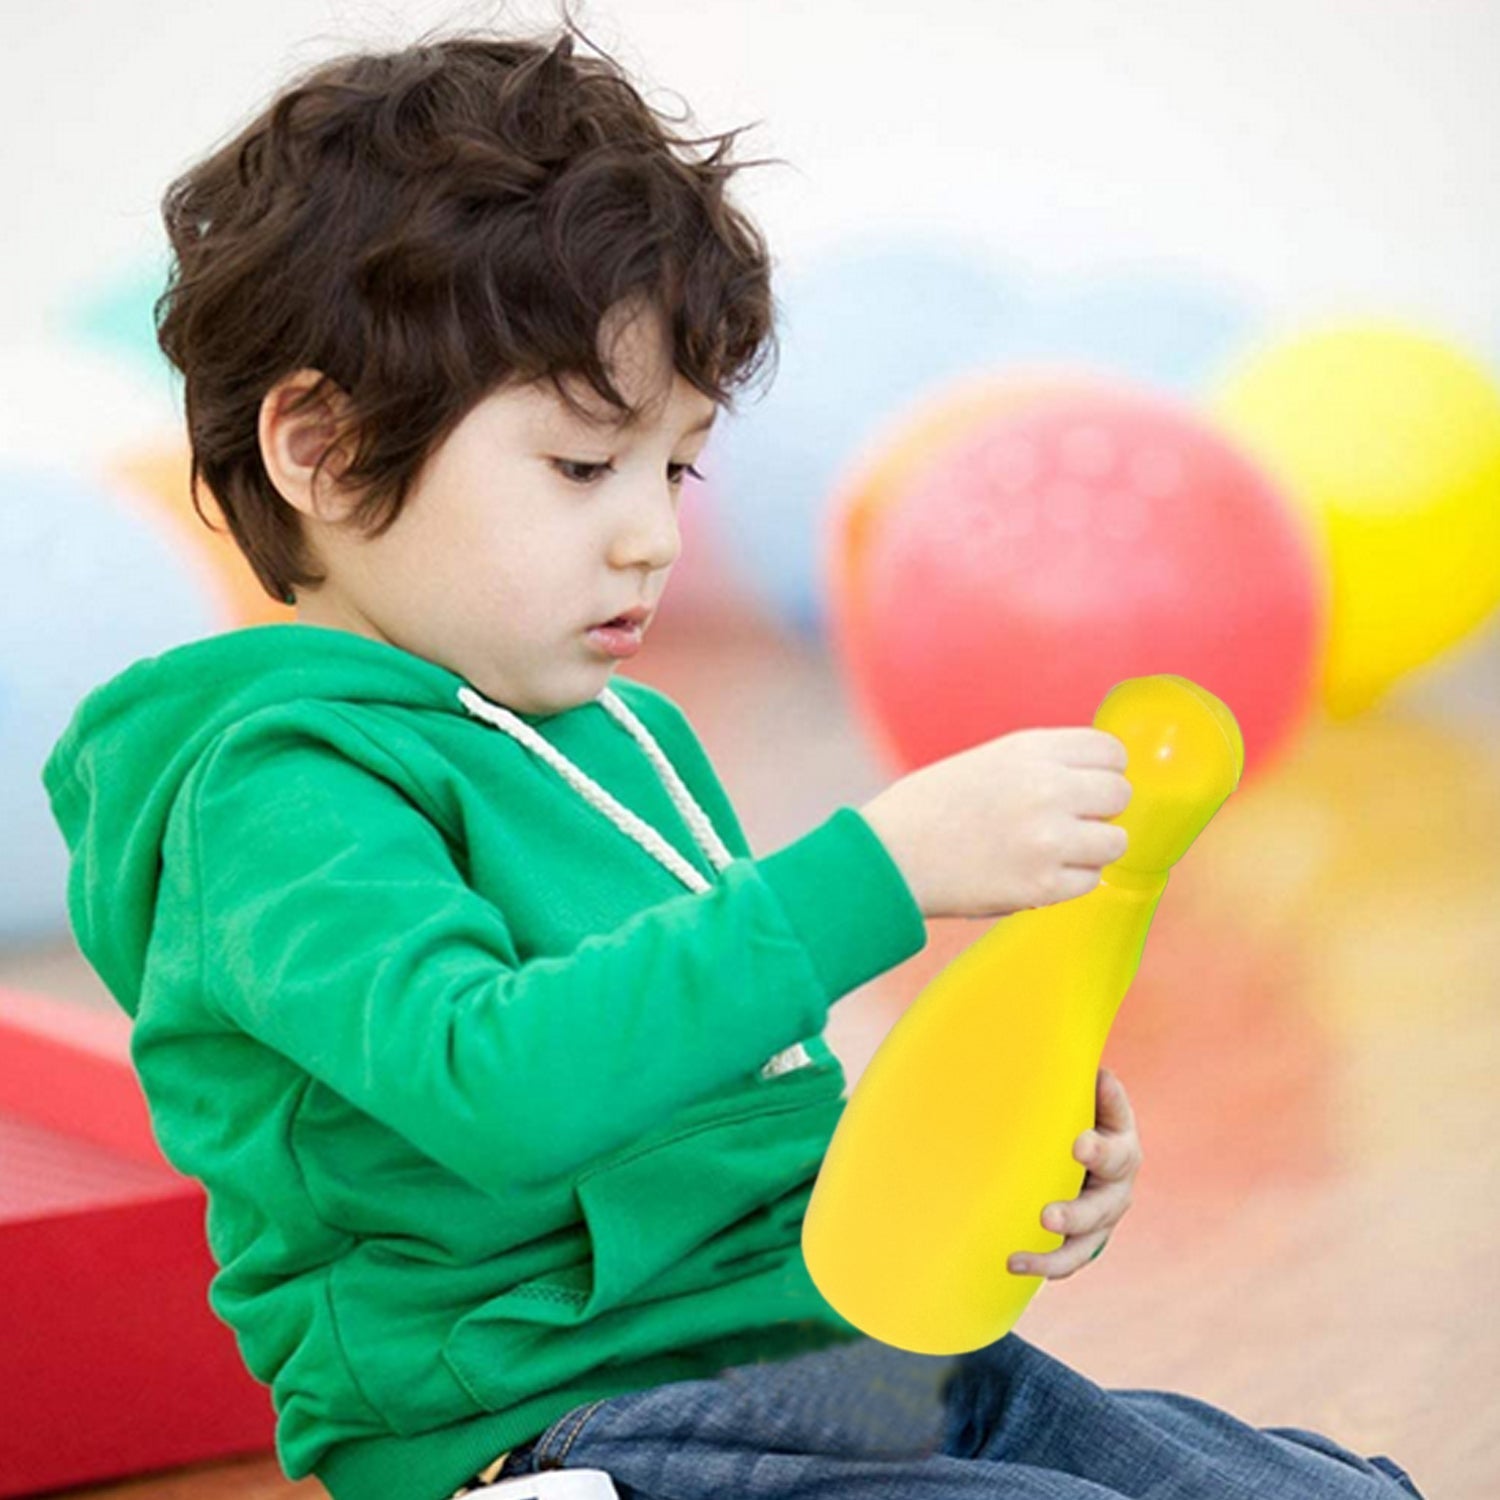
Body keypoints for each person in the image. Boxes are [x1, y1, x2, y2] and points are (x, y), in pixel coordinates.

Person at [40, 7, 1424, 1499]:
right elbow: (498, 1084)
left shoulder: (616, 732)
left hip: (835, 1351)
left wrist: (984, 1157)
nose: (653, 534)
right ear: (318, 445)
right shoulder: (271, 790)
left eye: (675, 464)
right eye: (582, 466)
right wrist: (876, 869)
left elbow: (718, 1082)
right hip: (574, 1422)